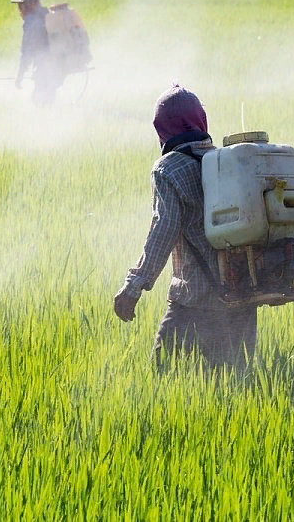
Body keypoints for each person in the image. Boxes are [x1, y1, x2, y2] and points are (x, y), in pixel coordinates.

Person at [112, 86, 258, 372]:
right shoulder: (226, 162)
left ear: (163, 129)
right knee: (235, 383)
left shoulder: (169, 169)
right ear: (200, 121)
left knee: (164, 375)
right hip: (243, 292)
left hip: (196, 298)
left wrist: (134, 285)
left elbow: (163, 229)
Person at [11, 0, 64, 104]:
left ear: (28, 4)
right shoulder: (46, 14)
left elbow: (26, 52)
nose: (19, 9)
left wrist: (20, 75)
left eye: (21, 5)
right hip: (59, 68)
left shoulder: (31, 21)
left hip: (46, 70)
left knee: (39, 103)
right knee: (48, 99)